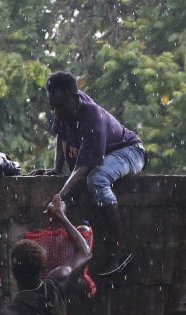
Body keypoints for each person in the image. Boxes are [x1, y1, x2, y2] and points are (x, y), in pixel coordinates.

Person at [28, 70, 146, 277]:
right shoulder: (63, 110)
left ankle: (121, 248)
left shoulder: (93, 117)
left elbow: (84, 168)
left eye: (60, 107)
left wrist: (59, 196)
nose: (57, 113)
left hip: (130, 152)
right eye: (52, 107)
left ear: (75, 99)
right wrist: (57, 170)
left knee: (97, 179)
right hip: (107, 155)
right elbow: (61, 138)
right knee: (94, 176)